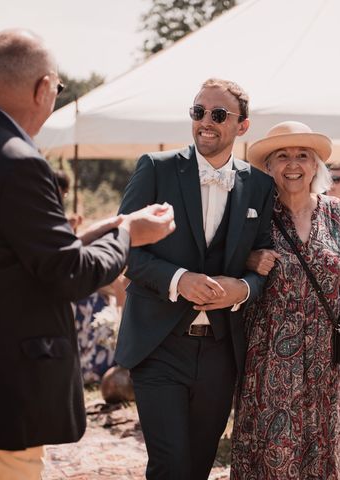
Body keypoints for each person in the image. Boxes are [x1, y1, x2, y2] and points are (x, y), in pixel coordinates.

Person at [0, 29, 175, 480]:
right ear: (44, 89)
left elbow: (23, 252)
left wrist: (113, 226)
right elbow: (67, 272)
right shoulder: (18, 160)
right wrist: (131, 234)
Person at [115, 78, 275, 480]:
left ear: (242, 126)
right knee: (171, 466)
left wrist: (242, 291)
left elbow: (264, 267)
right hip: (159, 344)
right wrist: (179, 279)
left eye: (218, 115)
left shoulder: (259, 185)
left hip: (222, 352)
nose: (206, 121)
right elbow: (124, 249)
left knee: (199, 466)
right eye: (198, 111)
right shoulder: (156, 168)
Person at [232, 121, 340, 479]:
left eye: (302, 156)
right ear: (269, 166)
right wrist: (247, 260)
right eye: (283, 156)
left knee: (319, 452)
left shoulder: (336, 213)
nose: (293, 164)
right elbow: (223, 264)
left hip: (323, 358)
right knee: (274, 452)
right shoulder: (254, 213)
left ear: (316, 165)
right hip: (268, 358)